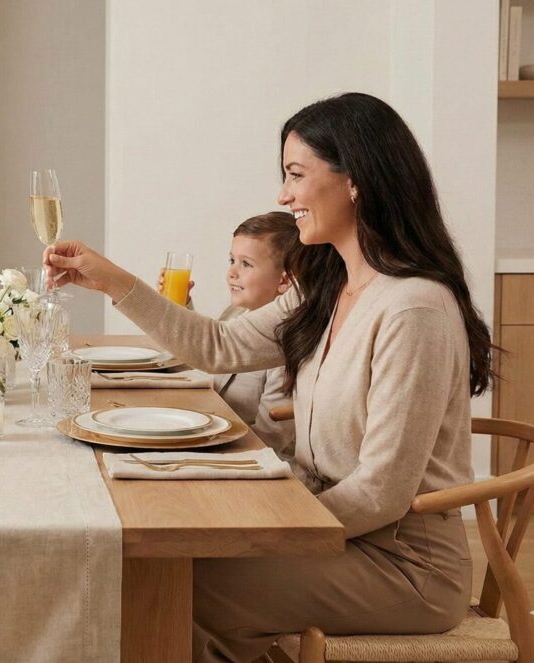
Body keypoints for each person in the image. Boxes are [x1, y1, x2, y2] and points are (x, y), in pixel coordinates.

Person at [45, 92, 491, 662]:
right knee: (156, 571)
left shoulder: (413, 309)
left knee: (169, 586)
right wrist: (109, 279)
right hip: (327, 530)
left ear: (355, 180)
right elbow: (219, 344)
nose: (283, 195)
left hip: (402, 565)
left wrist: (272, 529)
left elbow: (381, 491)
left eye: (296, 175)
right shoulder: (325, 288)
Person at [160, 212, 299, 457]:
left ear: (284, 280)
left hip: (247, 459)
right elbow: (206, 354)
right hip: (214, 442)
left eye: (246, 264)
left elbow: (272, 439)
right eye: (231, 260)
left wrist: (200, 448)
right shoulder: (237, 312)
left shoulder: (286, 346)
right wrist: (180, 308)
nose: (232, 273)